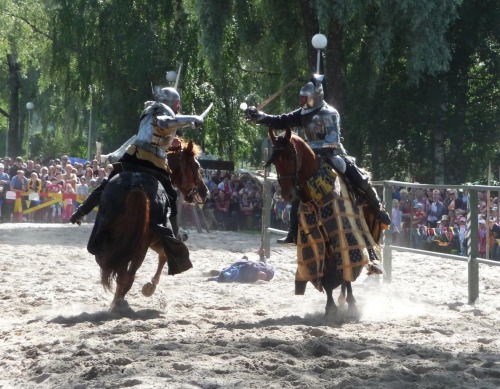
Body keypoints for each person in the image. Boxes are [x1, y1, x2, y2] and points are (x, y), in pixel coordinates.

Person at [245, 74, 390, 244]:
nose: (302, 101)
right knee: (298, 190)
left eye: (304, 98)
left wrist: (308, 148)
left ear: (314, 97)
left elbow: (332, 140)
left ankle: (378, 209)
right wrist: (260, 116)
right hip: (312, 156)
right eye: (301, 98)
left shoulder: (330, 113)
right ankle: (294, 231)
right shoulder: (302, 113)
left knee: (356, 175)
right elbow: (281, 120)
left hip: (333, 154)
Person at [69, 86, 204, 239]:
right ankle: (174, 234)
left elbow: (156, 135)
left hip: (133, 156)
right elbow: (164, 123)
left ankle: (80, 212)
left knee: (107, 183)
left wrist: (172, 139)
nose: (178, 107)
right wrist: (192, 118)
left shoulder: (152, 109)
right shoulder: (160, 111)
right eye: (177, 104)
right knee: (171, 195)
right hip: (153, 163)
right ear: (173, 103)